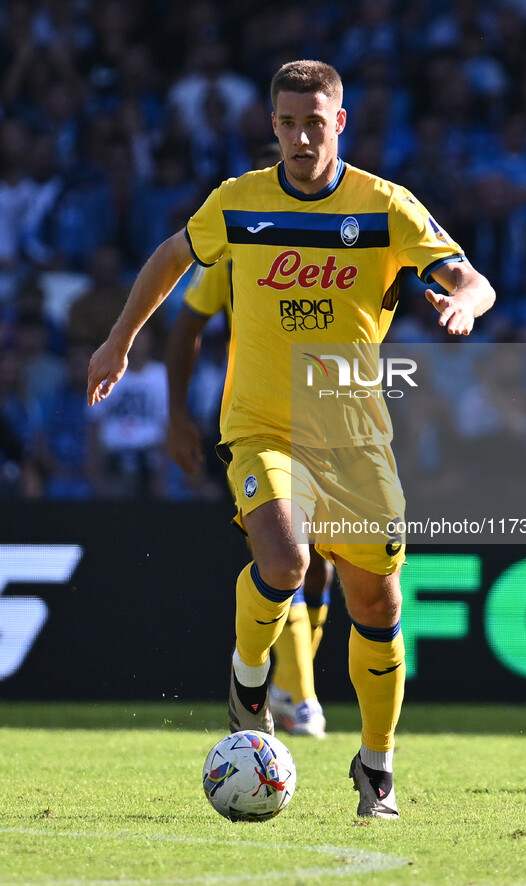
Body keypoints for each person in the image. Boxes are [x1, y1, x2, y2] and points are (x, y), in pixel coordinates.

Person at [88, 60, 495, 818]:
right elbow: (172, 259)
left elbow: (471, 276)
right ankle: (249, 680)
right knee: (285, 559)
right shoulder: (239, 202)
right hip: (262, 426)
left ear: (339, 122)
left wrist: (462, 303)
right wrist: (118, 341)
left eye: (315, 122)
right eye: (286, 123)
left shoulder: (386, 207)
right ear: (271, 125)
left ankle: (375, 768)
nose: (301, 136)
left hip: (353, 437)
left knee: (374, 602)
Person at [165, 145, 332, 738]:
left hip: (333, 419)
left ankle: (288, 689)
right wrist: (177, 415)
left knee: (320, 569)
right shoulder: (236, 245)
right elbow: (187, 324)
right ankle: (297, 696)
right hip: (257, 416)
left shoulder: (347, 234)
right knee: (283, 553)